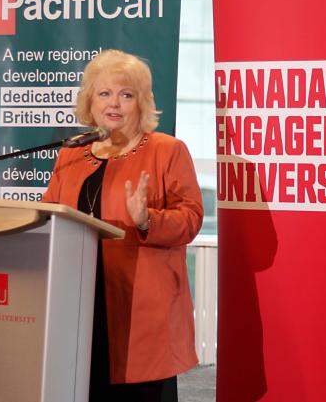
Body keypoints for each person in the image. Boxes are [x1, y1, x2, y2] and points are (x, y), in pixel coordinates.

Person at [43, 49, 203, 402]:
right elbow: (49, 213)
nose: (114, 103)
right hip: (80, 303)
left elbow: (191, 219)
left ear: (141, 102)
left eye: (125, 94)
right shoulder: (71, 153)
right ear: (90, 101)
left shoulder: (167, 150)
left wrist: (147, 219)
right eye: (104, 93)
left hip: (141, 311)